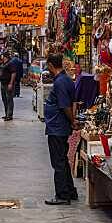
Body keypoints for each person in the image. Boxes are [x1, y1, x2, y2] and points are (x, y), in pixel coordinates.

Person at [43, 53, 78, 205]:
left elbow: (65, 105)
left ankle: (63, 195)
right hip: (59, 126)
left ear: (51, 65)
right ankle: (70, 191)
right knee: (62, 160)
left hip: (58, 127)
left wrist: (73, 121)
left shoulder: (60, 82)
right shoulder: (66, 79)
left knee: (58, 162)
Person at [0, 51, 15, 121]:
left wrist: (11, 83)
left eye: (2, 56)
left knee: (9, 99)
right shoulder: (4, 63)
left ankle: (9, 115)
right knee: (4, 99)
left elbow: (13, 73)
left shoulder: (10, 63)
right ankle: (6, 114)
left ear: (5, 56)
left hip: (8, 84)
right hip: (3, 83)